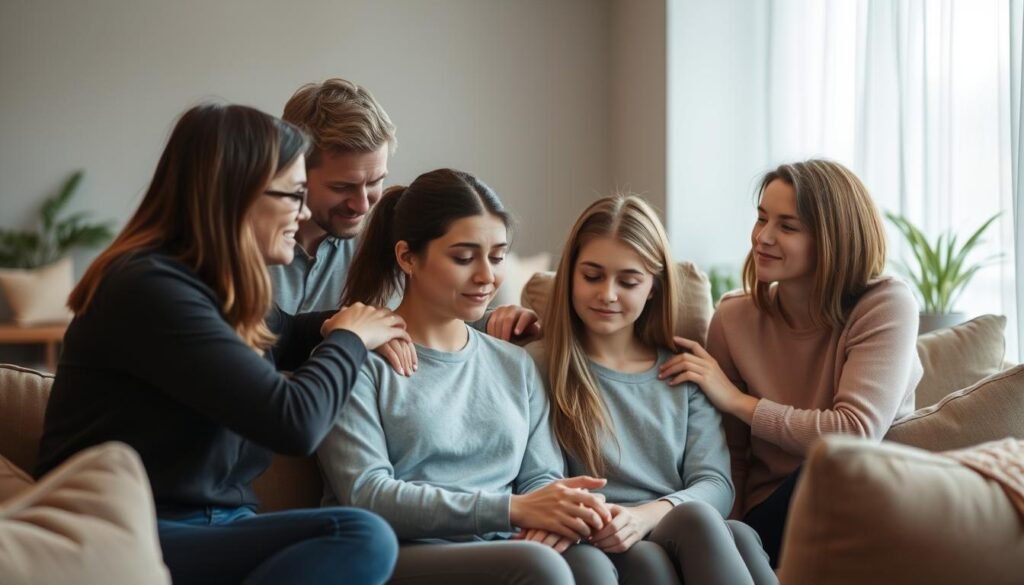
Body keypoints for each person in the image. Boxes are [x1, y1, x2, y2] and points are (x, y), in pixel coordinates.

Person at [35, 103, 411, 585]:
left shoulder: (216, 287)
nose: (302, 215)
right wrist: (350, 339)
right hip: (134, 527)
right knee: (358, 535)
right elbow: (293, 421)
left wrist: (360, 324)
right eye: (295, 196)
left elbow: (290, 332)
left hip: (215, 524)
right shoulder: (150, 289)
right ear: (238, 196)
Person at [318, 168, 612, 585]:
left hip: (504, 540)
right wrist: (512, 510)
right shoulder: (356, 363)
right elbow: (368, 494)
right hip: (400, 552)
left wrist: (551, 515)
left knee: (596, 563)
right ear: (407, 257)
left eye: (497, 257)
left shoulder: (517, 364)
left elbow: (540, 475)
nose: (486, 276)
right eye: (463, 257)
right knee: (540, 567)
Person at [659, 159, 923, 567]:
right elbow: (732, 454)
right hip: (764, 522)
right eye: (762, 218)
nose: (763, 237)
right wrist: (729, 542)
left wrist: (737, 401)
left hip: (857, 505)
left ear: (833, 239)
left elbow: (852, 433)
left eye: (787, 226)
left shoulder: (886, 305)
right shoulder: (734, 319)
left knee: (830, 470)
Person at [525, 195, 776, 585]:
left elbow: (716, 485)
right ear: (570, 275)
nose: (607, 294)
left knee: (734, 531)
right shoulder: (539, 365)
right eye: (592, 276)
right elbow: (540, 478)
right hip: (595, 535)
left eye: (628, 281)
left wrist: (645, 516)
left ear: (654, 288)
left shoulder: (682, 371)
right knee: (656, 557)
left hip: (675, 524)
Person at [273, 79, 537, 353]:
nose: (363, 204)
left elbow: (438, 308)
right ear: (293, 170)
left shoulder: (391, 238)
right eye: (342, 187)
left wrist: (497, 321)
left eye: (375, 181)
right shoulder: (244, 243)